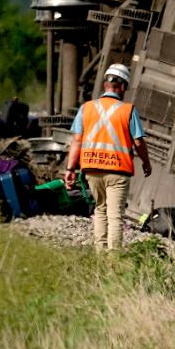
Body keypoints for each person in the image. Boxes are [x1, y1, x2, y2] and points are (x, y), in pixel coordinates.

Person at [64, 64, 152, 250]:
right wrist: (146, 162)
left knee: (100, 210)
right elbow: (138, 143)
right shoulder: (128, 111)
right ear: (123, 86)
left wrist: (70, 169)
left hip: (93, 170)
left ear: (105, 84)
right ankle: (114, 259)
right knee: (115, 216)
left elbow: (77, 141)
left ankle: (101, 255)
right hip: (118, 171)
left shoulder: (86, 108)